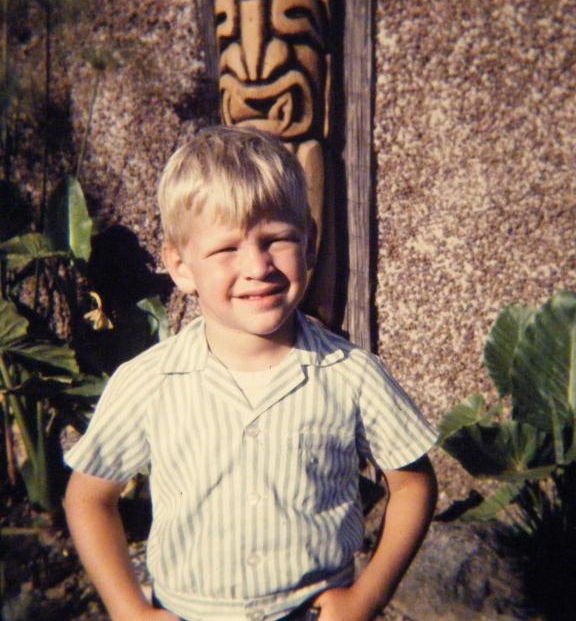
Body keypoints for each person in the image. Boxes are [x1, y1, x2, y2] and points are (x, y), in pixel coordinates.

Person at [64, 126, 439, 621]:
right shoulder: (148, 383)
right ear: (181, 266)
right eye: (226, 249)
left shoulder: (352, 375)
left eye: (276, 239)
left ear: (309, 243)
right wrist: (129, 610)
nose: (258, 266)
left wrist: (367, 598)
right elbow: (88, 498)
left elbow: (412, 485)